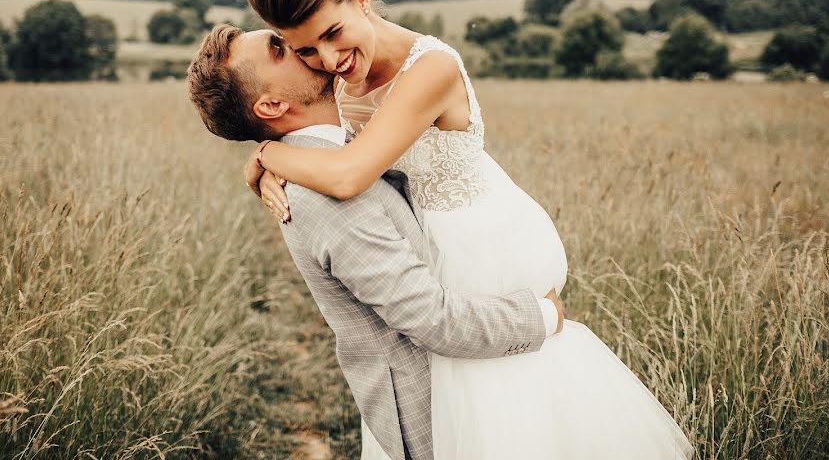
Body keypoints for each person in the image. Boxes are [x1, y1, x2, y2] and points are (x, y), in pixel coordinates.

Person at [240, 0, 694, 459]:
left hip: (476, 242)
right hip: (416, 237)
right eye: (307, 50)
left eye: (334, 34)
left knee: (499, 404)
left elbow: (351, 171)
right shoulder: (340, 76)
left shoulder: (430, 68)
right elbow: (331, 150)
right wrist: (269, 164)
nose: (329, 60)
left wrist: (267, 155)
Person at [186, 24, 566, 460]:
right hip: (434, 410)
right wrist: (542, 316)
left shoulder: (340, 146)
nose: (297, 45)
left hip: (468, 386)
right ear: (271, 104)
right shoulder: (320, 196)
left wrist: (264, 156)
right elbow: (431, 319)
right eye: (278, 49)